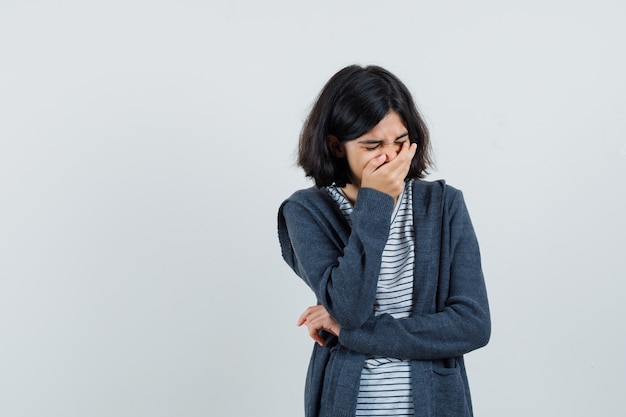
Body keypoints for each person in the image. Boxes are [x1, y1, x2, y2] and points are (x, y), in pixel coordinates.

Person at [277, 65, 490, 417]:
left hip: (435, 405)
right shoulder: (306, 211)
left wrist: (353, 333)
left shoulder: (444, 205)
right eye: (373, 145)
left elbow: (472, 325)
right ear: (336, 146)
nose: (391, 157)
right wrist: (376, 204)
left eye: (401, 142)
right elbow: (349, 307)